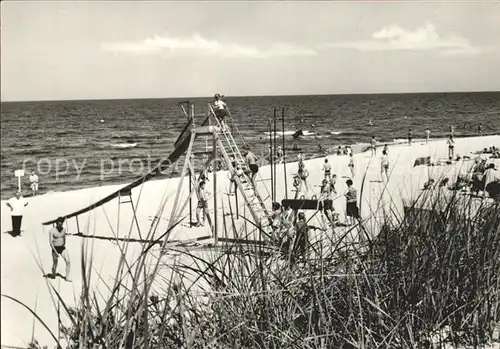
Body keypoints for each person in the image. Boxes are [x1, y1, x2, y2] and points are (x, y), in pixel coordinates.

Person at [49, 217, 71, 281]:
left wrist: (63, 244)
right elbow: (50, 242)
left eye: (62, 222)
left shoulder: (64, 229)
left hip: (62, 248)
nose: (61, 224)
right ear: (57, 223)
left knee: (68, 261)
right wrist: (55, 252)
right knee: (55, 263)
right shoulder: (52, 230)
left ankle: (67, 277)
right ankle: (53, 274)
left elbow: (64, 237)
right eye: (59, 222)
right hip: (55, 248)